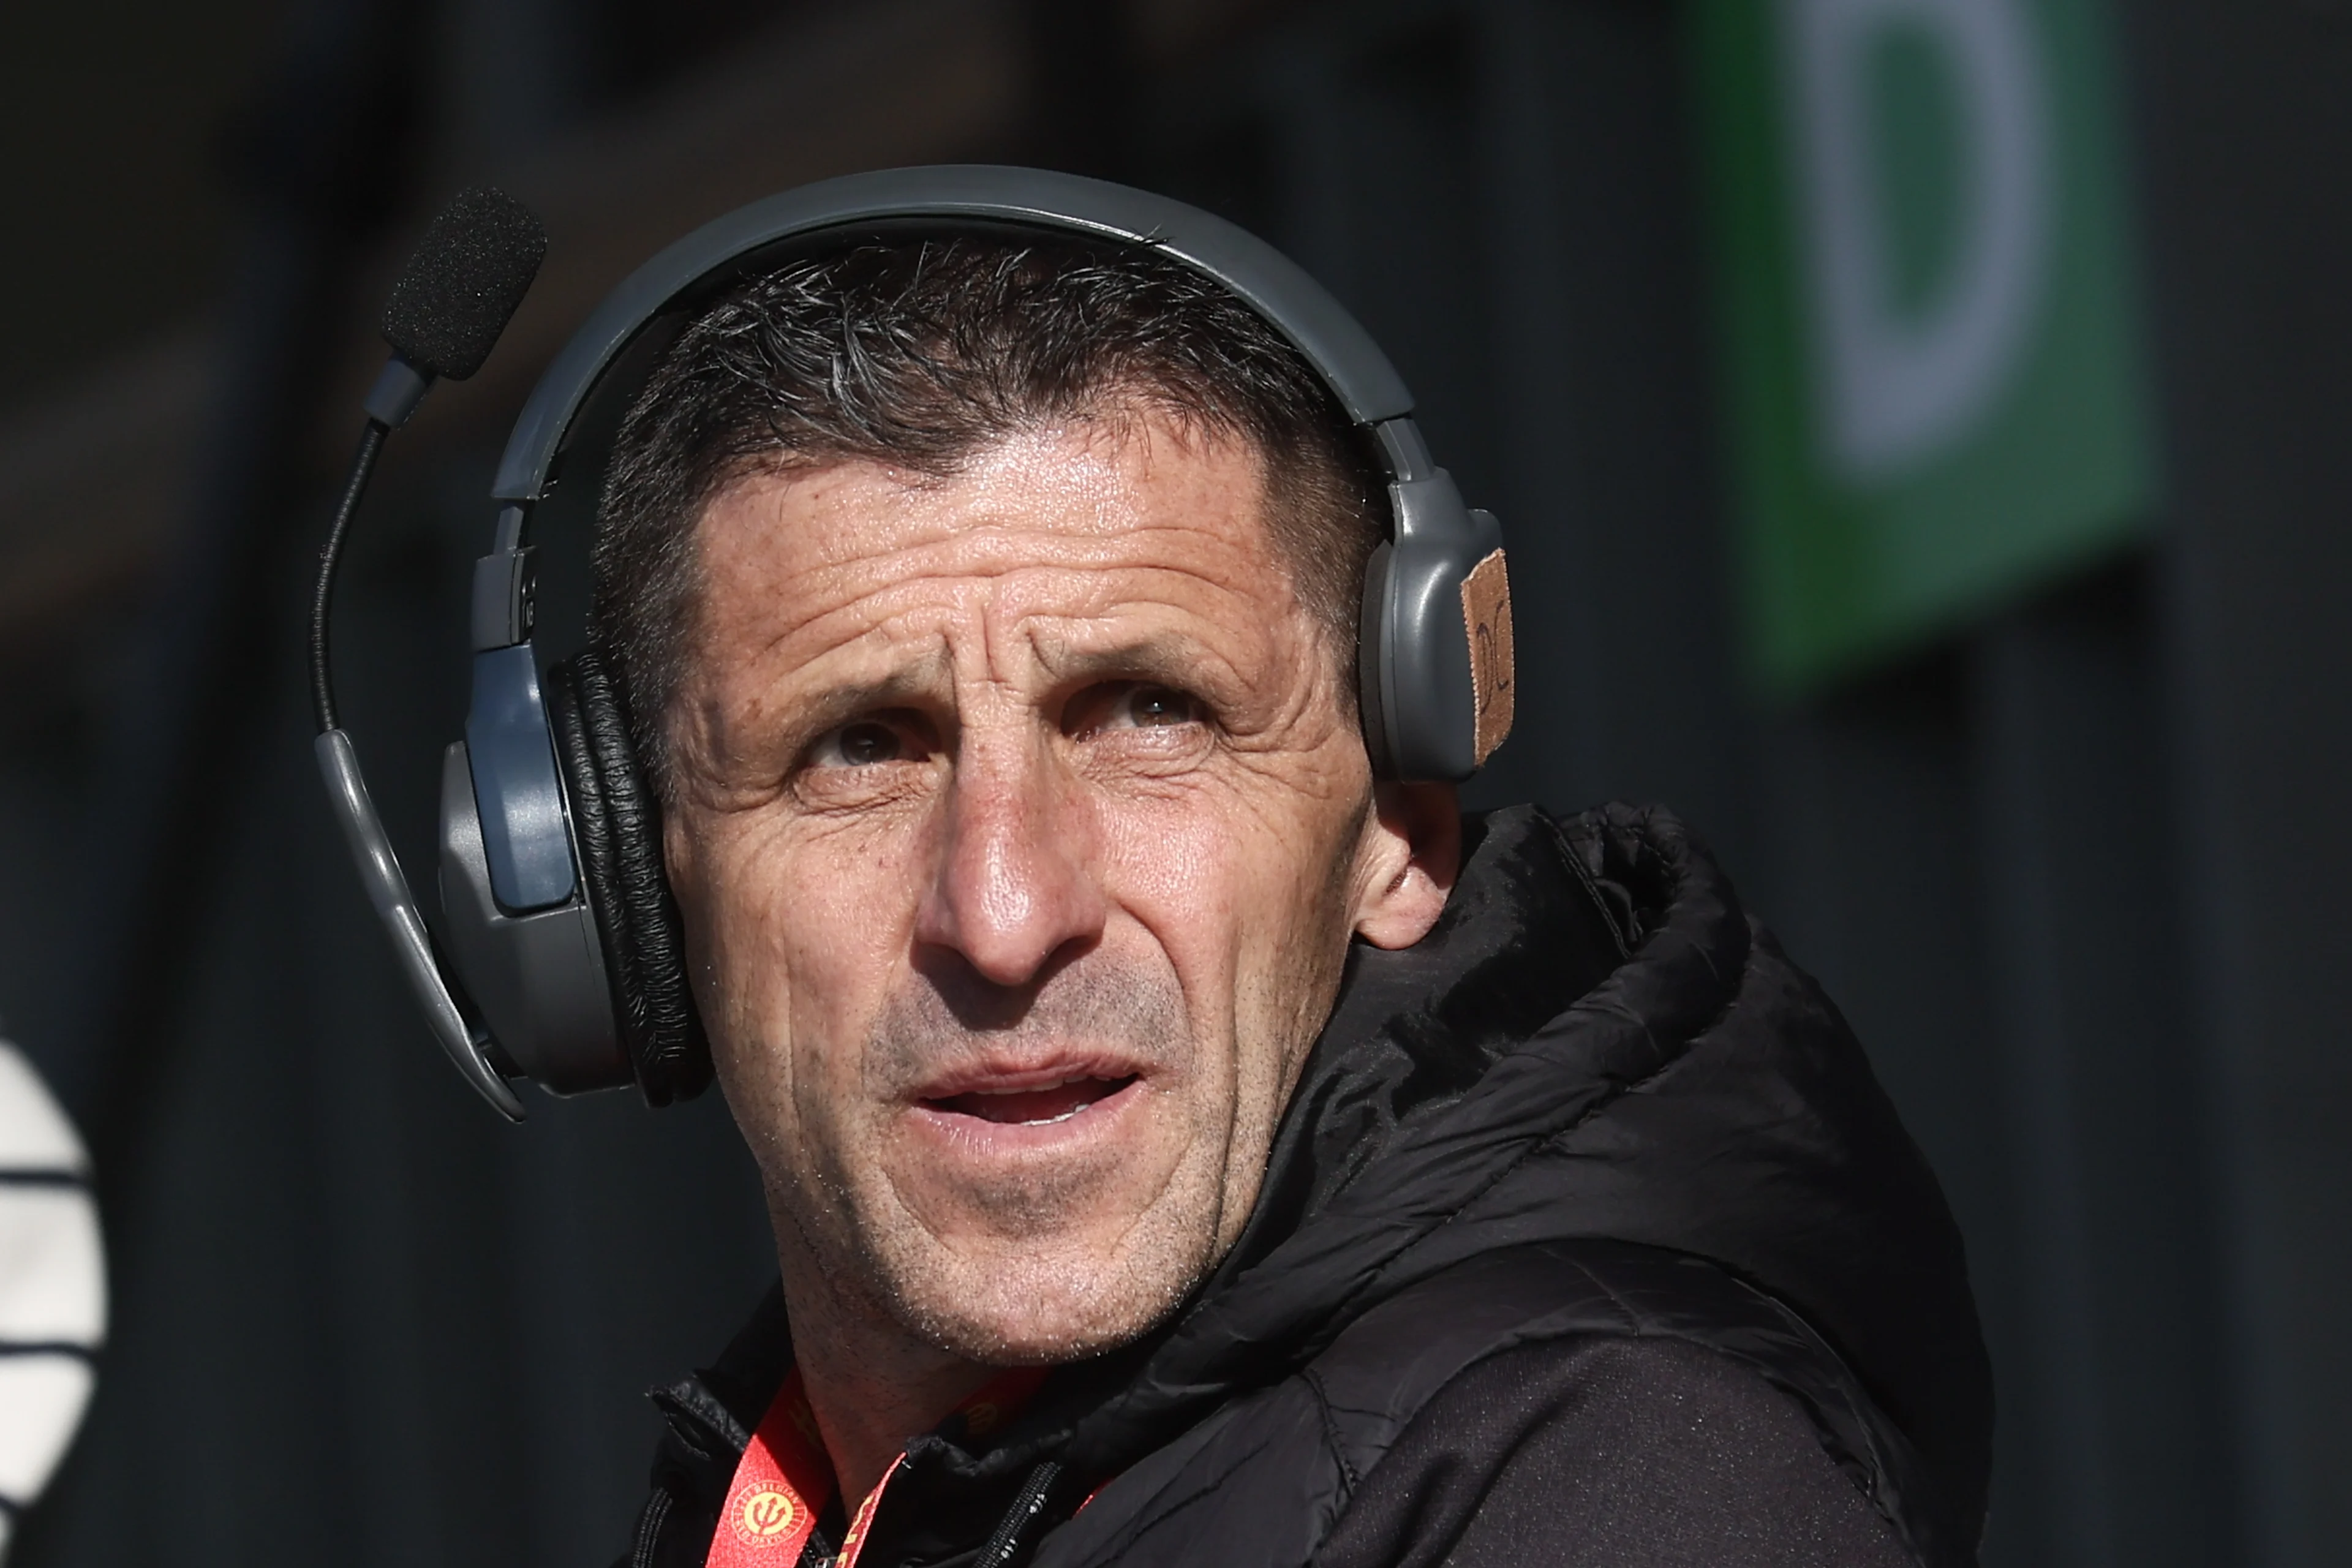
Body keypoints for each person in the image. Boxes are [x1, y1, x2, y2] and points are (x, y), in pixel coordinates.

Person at [584, 227, 1990, 1568]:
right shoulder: (789, 1496)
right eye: (860, 745)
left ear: (1398, 832)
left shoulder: (1624, 1490)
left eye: (1151, 712)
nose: (1004, 915)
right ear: (637, 892)